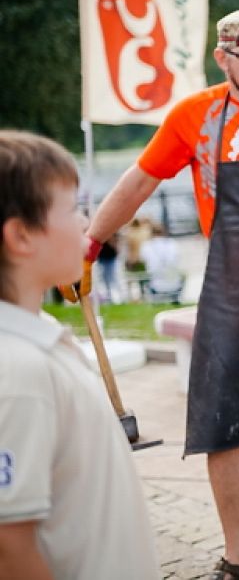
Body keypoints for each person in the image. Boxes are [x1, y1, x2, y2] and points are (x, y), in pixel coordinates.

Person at [59, 10, 239, 579]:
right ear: (222, 58)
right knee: (223, 425)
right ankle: (237, 558)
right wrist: (90, 242)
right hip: (233, 292)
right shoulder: (197, 115)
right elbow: (140, 180)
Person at [0, 130, 159, 579]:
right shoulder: (16, 370)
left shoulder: (42, 336)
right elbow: (9, 546)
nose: (88, 220)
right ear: (21, 236)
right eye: (73, 209)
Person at [139, 222, 184, 302]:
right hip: (175, 285)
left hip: (155, 286)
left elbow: (143, 260)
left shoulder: (147, 246)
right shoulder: (172, 244)